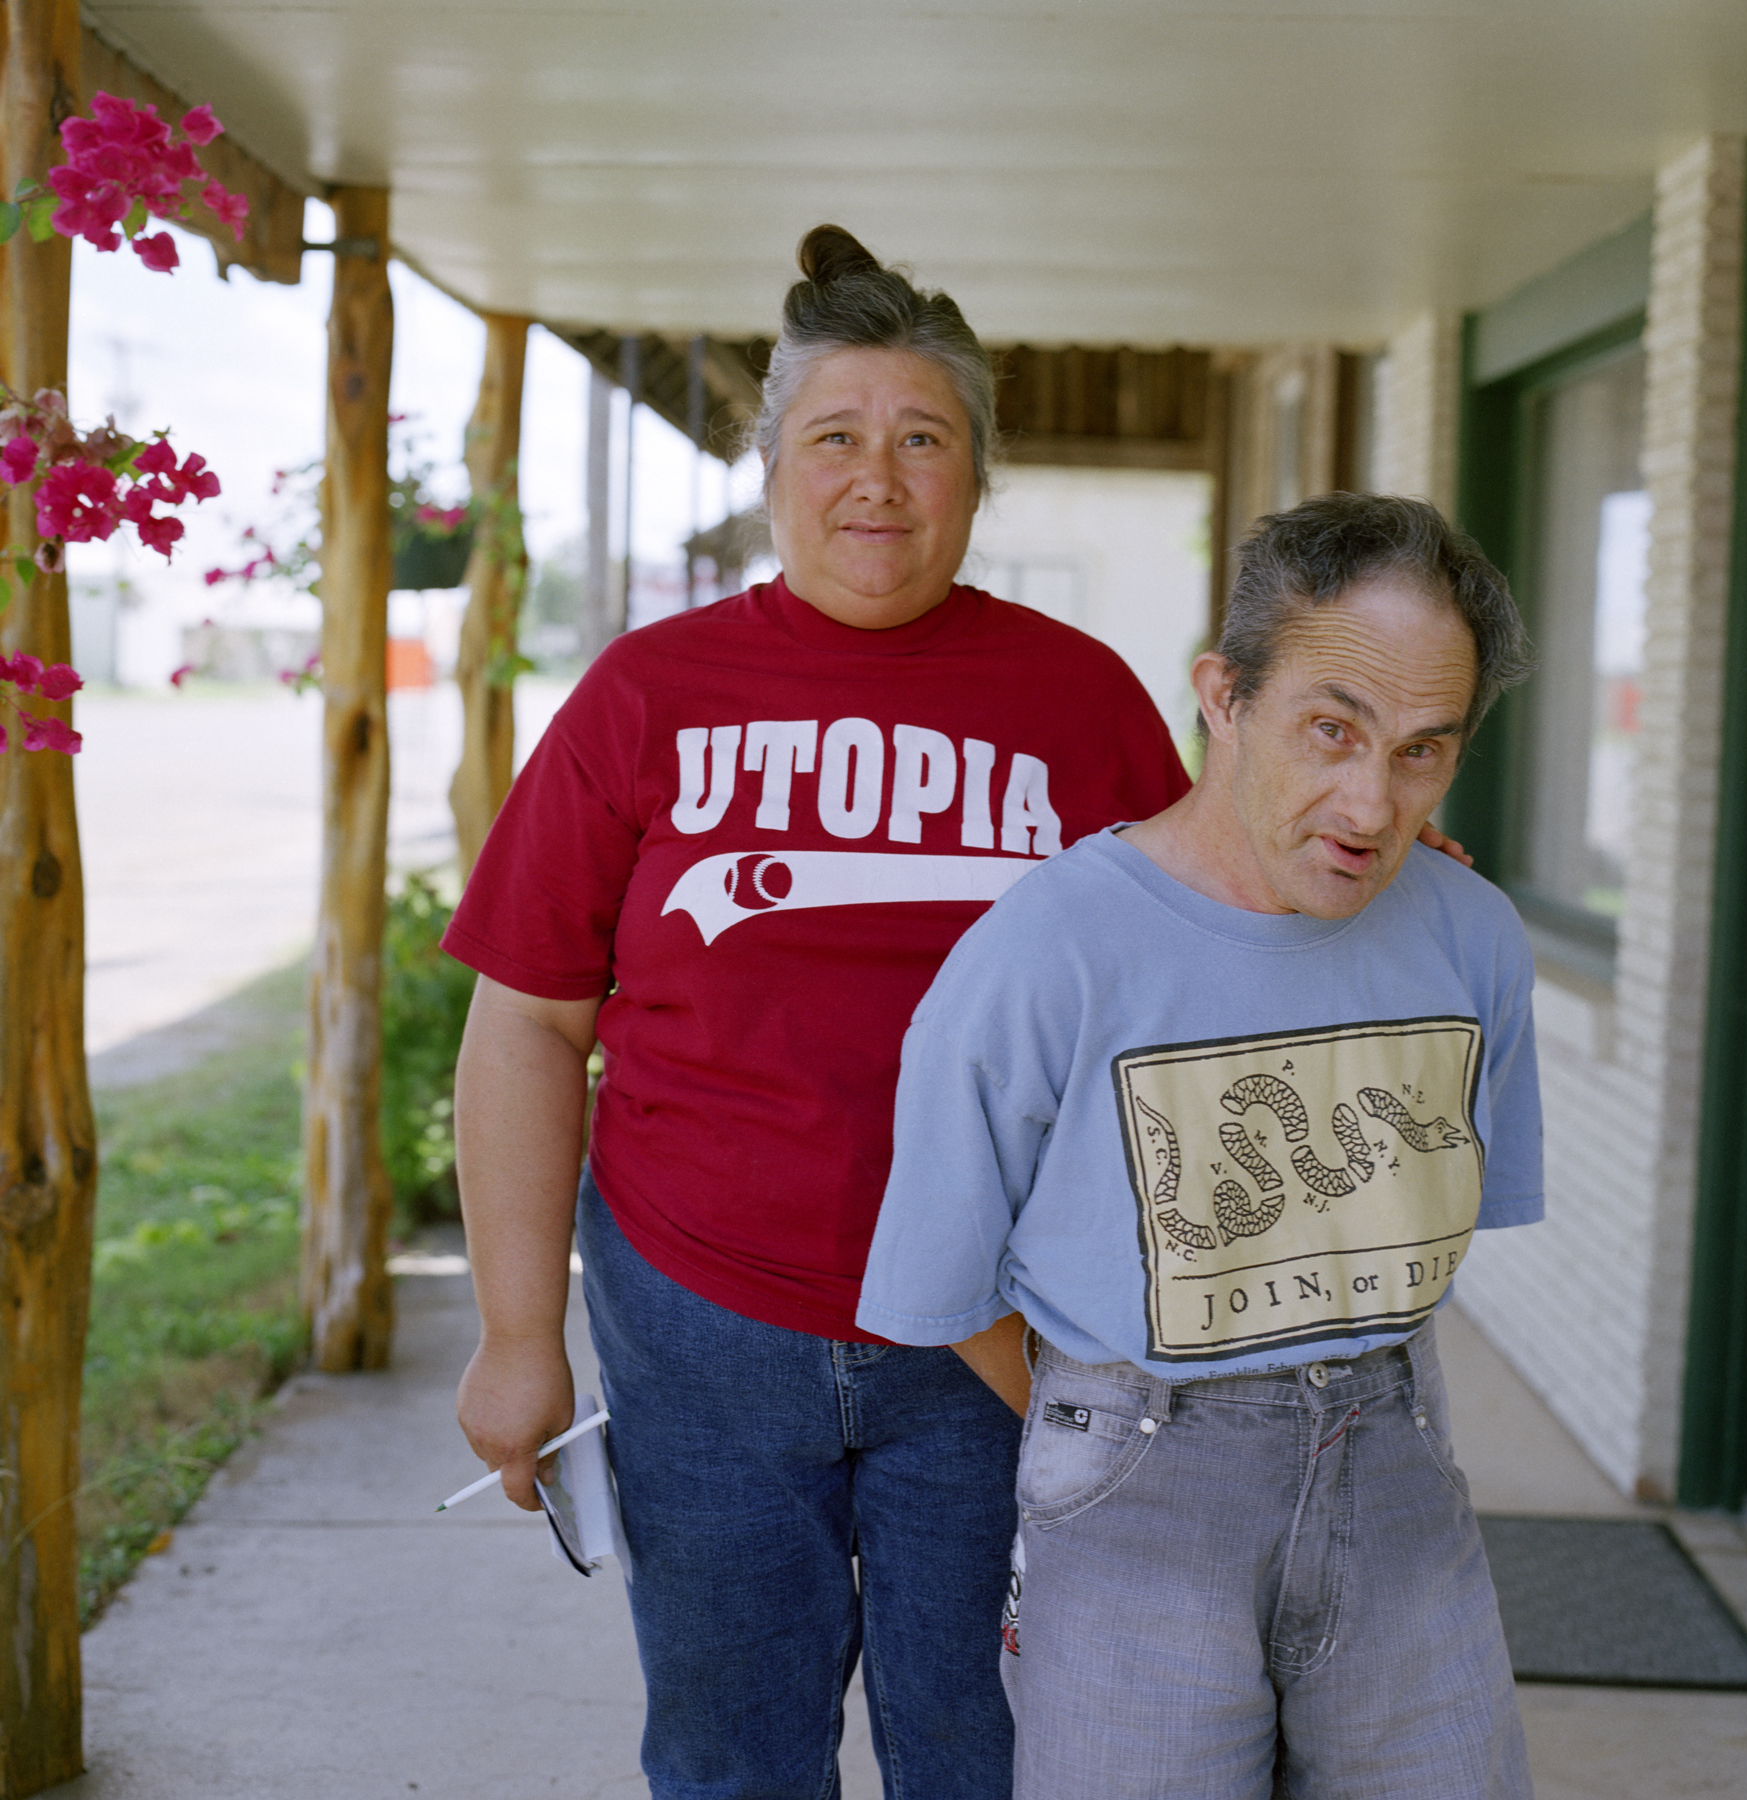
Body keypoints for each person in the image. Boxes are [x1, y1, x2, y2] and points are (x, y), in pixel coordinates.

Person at [441, 225, 1193, 1800]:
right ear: (770, 466)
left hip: (997, 1340)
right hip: (703, 1319)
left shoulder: (1083, 705)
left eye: (925, 439)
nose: (879, 478)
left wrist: (1375, 873)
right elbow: (526, 1024)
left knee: (992, 1752)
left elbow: (1210, 950)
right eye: (835, 437)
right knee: (731, 1759)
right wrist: (520, 1335)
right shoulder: (647, 696)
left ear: (977, 479)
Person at [857, 492, 1542, 1800]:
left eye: (1422, 752)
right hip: (1136, 1488)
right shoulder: (1043, 955)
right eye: (1331, 731)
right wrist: (1115, 1414)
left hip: (1396, 1463)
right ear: (1222, 697)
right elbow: (943, 1293)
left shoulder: (1474, 940)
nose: (1369, 801)